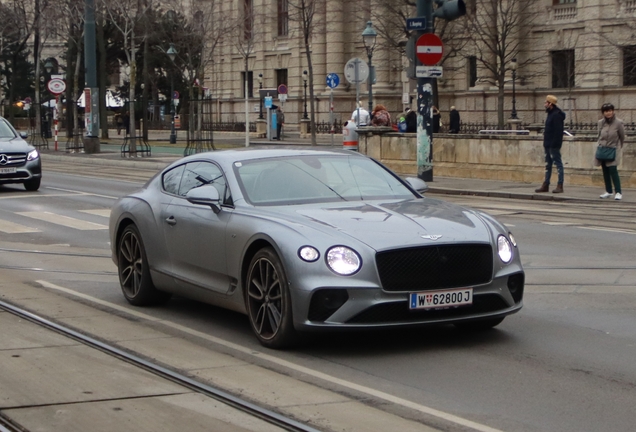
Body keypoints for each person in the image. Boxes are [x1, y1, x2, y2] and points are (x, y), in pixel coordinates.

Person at [535, 95, 566, 194]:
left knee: (558, 164)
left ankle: (560, 185)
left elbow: (558, 131)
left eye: (546, 103)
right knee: (548, 165)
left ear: (550, 104)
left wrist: (553, 144)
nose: (545, 104)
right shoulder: (551, 114)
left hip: (553, 145)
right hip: (548, 144)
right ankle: (546, 184)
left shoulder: (556, 115)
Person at [595, 103, 625, 200]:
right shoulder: (601, 122)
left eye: (610, 110)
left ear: (613, 111)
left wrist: (618, 148)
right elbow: (599, 135)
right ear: (603, 113)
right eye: (606, 111)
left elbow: (622, 136)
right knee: (605, 170)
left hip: (613, 149)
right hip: (603, 150)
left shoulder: (618, 123)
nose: (608, 113)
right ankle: (608, 191)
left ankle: (618, 192)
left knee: (613, 170)